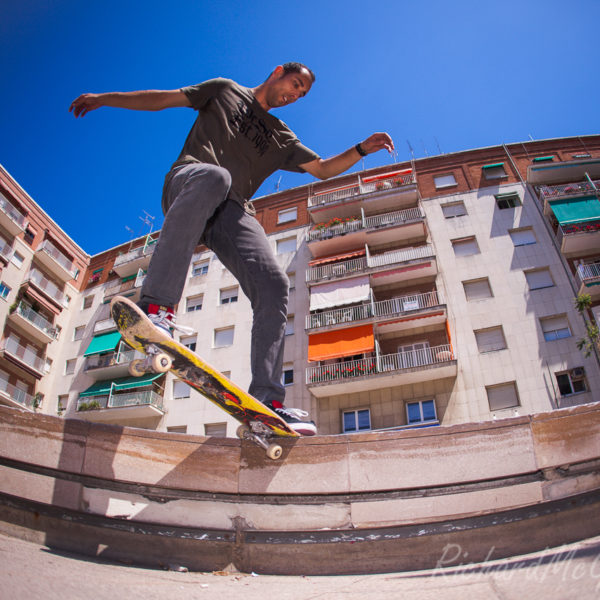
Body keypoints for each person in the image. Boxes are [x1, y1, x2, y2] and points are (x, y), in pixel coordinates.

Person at [70, 62, 394, 435]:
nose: (294, 94)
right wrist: (105, 99)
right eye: (295, 83)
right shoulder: (224, 90)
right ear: (277, 72)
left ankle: (268, 402)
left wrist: (360, 149)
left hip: (232, 210)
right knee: (215, 175)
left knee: (273, 283)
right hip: (190, 181)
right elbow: (162, 99)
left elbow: (321, 168)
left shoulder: (282, 137)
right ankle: (156, 307)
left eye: (301, 94)